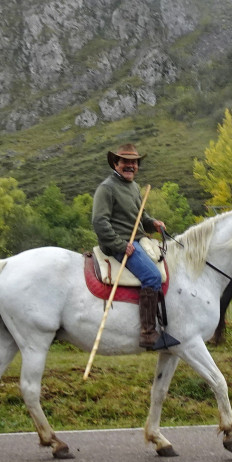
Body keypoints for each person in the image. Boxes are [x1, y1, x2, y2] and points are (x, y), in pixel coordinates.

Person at [91, 143, 173, 350]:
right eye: (125, 162)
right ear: (116, 164)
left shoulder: (134, 187)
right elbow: (99, 222)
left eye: (133, 162)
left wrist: (152, 223)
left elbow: (140, 217)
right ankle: (148, 334)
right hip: (119, 245)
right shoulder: (106, 188)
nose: (130, 166)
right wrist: (120, 244)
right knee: (152, 276)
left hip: (137, 240)